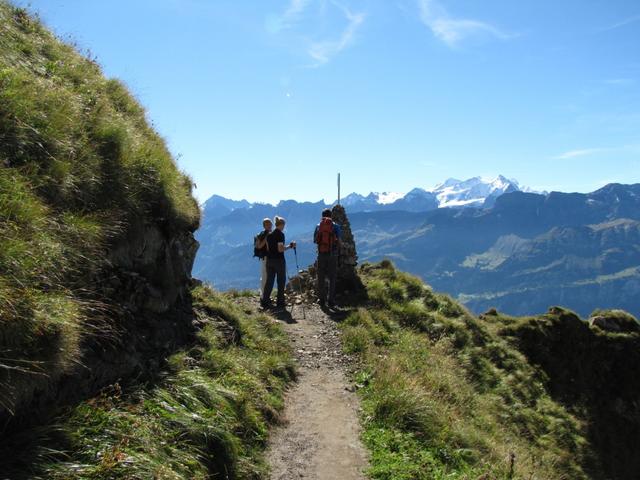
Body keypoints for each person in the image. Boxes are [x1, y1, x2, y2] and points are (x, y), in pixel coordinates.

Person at [261, 216, 296, 309]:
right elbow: (280, 249)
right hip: (279, 261)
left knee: (269, 281)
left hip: (269, 260)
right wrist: (290, 246)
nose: (284, 227)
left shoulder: (269, 234)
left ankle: (265, 301)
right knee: (281, 281)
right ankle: (280, 302)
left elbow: (268, 248)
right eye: (284, 225)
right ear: (281, 225)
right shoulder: (280, 234)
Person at [314, 208, 342, 308]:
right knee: (332, 277)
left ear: (322, 216)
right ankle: (331, 301)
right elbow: (339, 240)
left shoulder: (318, 226)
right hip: (332, 254)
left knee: (320, 276)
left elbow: (315, 240)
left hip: (321, 254)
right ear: (331, 215)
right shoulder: (336, 226)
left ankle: (322, 300)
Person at [254, 217, 272, 297]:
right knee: (265, 276)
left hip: (271, 258)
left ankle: (266, 295)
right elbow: (259, 246)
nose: (269, 226)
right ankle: (263, 296)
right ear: (264, 226)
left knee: (269, 277)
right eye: (267, 224)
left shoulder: (272, 234)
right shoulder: (261, 235)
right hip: (265, 258)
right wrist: (266, 238)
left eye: (270, 224)